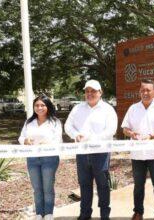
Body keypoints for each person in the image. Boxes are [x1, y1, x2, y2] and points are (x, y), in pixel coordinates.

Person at [65, 79, 118, 220]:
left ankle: (104, 214)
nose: (90, 94)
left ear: (100, 93)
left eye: (93, 91)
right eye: (87, 91)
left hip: (101, 153)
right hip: (82, 153)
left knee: (103, 185)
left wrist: (93, 138)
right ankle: (85, 213)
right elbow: (68, 126)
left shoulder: (108, 109)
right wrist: (76, 135)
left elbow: (111, 130)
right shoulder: (77, 109)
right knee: (84, 184)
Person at [121, 79, 154, 220]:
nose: (145, 93)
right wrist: (130, 133)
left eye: (148, 90)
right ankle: (138, 212)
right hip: (137, 155)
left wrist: (150, 136)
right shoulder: (133, 108)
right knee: (138, 186)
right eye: (143, 90)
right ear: (139, 92)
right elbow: (125, 128)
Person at [19, 95, 62, 220]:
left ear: (48, 106)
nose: (39, 107)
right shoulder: (29, 122)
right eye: (37, 105)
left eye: (42, 105)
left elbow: (58, 140)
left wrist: (48, 144)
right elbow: (21, 137)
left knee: (47, 187)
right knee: (37, 188)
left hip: (49, 158)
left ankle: (48, 213)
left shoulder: (55, 122)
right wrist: (25, 140)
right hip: (32, 159)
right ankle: (39, 213)